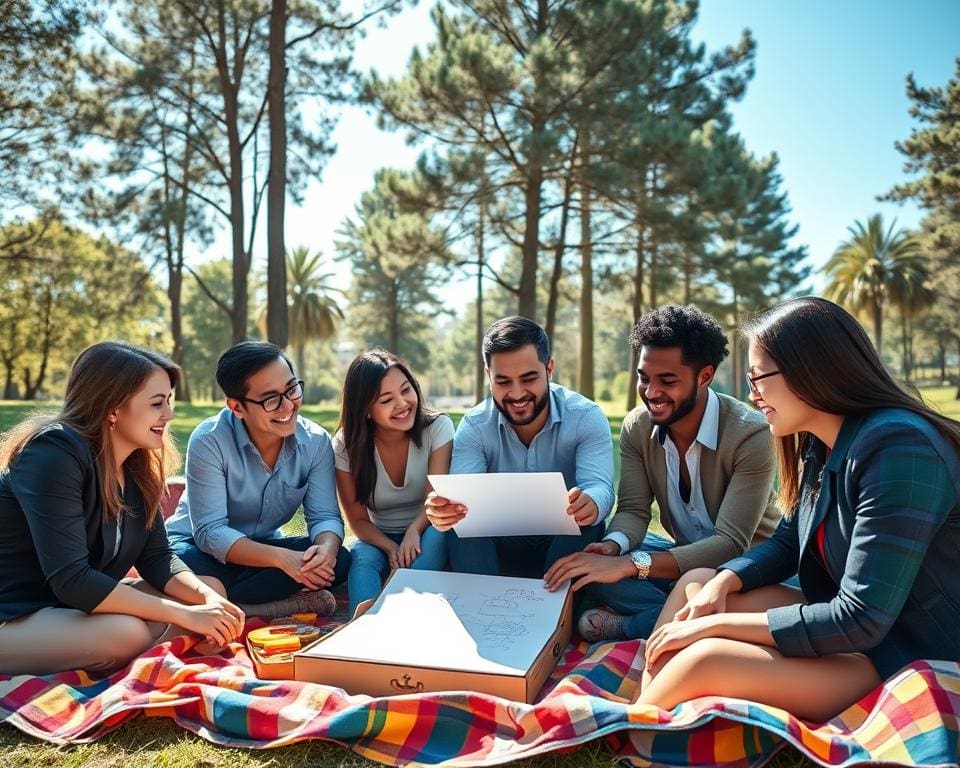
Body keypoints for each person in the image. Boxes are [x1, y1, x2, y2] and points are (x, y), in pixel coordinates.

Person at [634, 297, 960, 723]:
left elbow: (860, 619)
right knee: (700, 582)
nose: (752, 395)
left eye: (758, 378)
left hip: (900, 648)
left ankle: (629, 726)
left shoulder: (901, 448)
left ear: (811, 371)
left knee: (707, 656)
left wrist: (716, 627)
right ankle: (643, 708)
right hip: (846, 628)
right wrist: (726, 580)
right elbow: (789, 539)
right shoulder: (821, 440)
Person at [0, 342, 245, 677]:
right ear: (113, 407)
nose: (169, 414)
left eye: (168, 402)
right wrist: (181, 616)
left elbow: (157, 557)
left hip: (71, 606)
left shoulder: (135, 464)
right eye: (157, 403)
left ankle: (149, 645)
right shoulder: (52, 453)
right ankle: (148, 646)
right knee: (126, 633)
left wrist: (204, 599)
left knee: (211, 593)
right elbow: (72, 579)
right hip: (15, 610)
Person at [544, 305, 779, 641]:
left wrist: (632, 565)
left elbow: (730, 544)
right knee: (592, 566)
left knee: (719, 594)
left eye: (667, 381)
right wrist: (612, 547)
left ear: (704, 376)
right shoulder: (637, 428)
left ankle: (629, 627)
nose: (651, 392)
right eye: (644, 378)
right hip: (678, 560)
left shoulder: (749, 435)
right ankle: (688, 618)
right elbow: (633, 511)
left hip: (745, 570)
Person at [166, 341, 349, 619]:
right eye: (270, 399)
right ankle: (253, 607)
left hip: (261, 552)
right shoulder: (209, 440)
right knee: (184, 566)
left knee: (341, 560)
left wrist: (325, 551)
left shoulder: (315, 441)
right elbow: (210, 532)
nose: (287, 405)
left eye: (291, 389)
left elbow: (324, 516)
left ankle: (224, 603)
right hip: (195, 548)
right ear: (237, 407)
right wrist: (282, 559)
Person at [426, 316, 615, 578]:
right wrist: (445, 511)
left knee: (587, 523)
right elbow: (462, 495)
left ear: (549, 369)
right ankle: (482, 607)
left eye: (528, 379)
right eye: (503, 381)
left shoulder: (585, 416)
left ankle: (558, 612)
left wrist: (592, 502)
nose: (516, 394)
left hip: (564, 542)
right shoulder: (475, 425)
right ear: (488, 375)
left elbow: (600, 486)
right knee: (461, 527)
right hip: (498, 548)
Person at [334, 350, 454, 615]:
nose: (402, 404)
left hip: (427, 526)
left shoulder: (438, 427)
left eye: (406, 390)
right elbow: (358, 521)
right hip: (378, 536)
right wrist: (390, 548)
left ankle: (395, 612)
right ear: (365, 410)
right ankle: (360, 627)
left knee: (438, 537)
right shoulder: (346, 445)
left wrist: (413, 531)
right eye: (386, 400)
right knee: (362, 557)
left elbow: (436, 500)